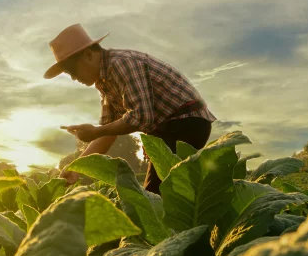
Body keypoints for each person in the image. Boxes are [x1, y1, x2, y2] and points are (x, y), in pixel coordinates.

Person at [45, 23, 216, 194]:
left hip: (186, 122)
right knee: (166, 194)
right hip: (168, 129)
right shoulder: (104, 81)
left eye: (72, 71)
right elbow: (107, 133)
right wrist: (76, 167)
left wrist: (96, 131)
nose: (74, 79)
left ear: (88, 55)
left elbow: (141, 117)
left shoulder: (121, 64)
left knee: (155, 196)